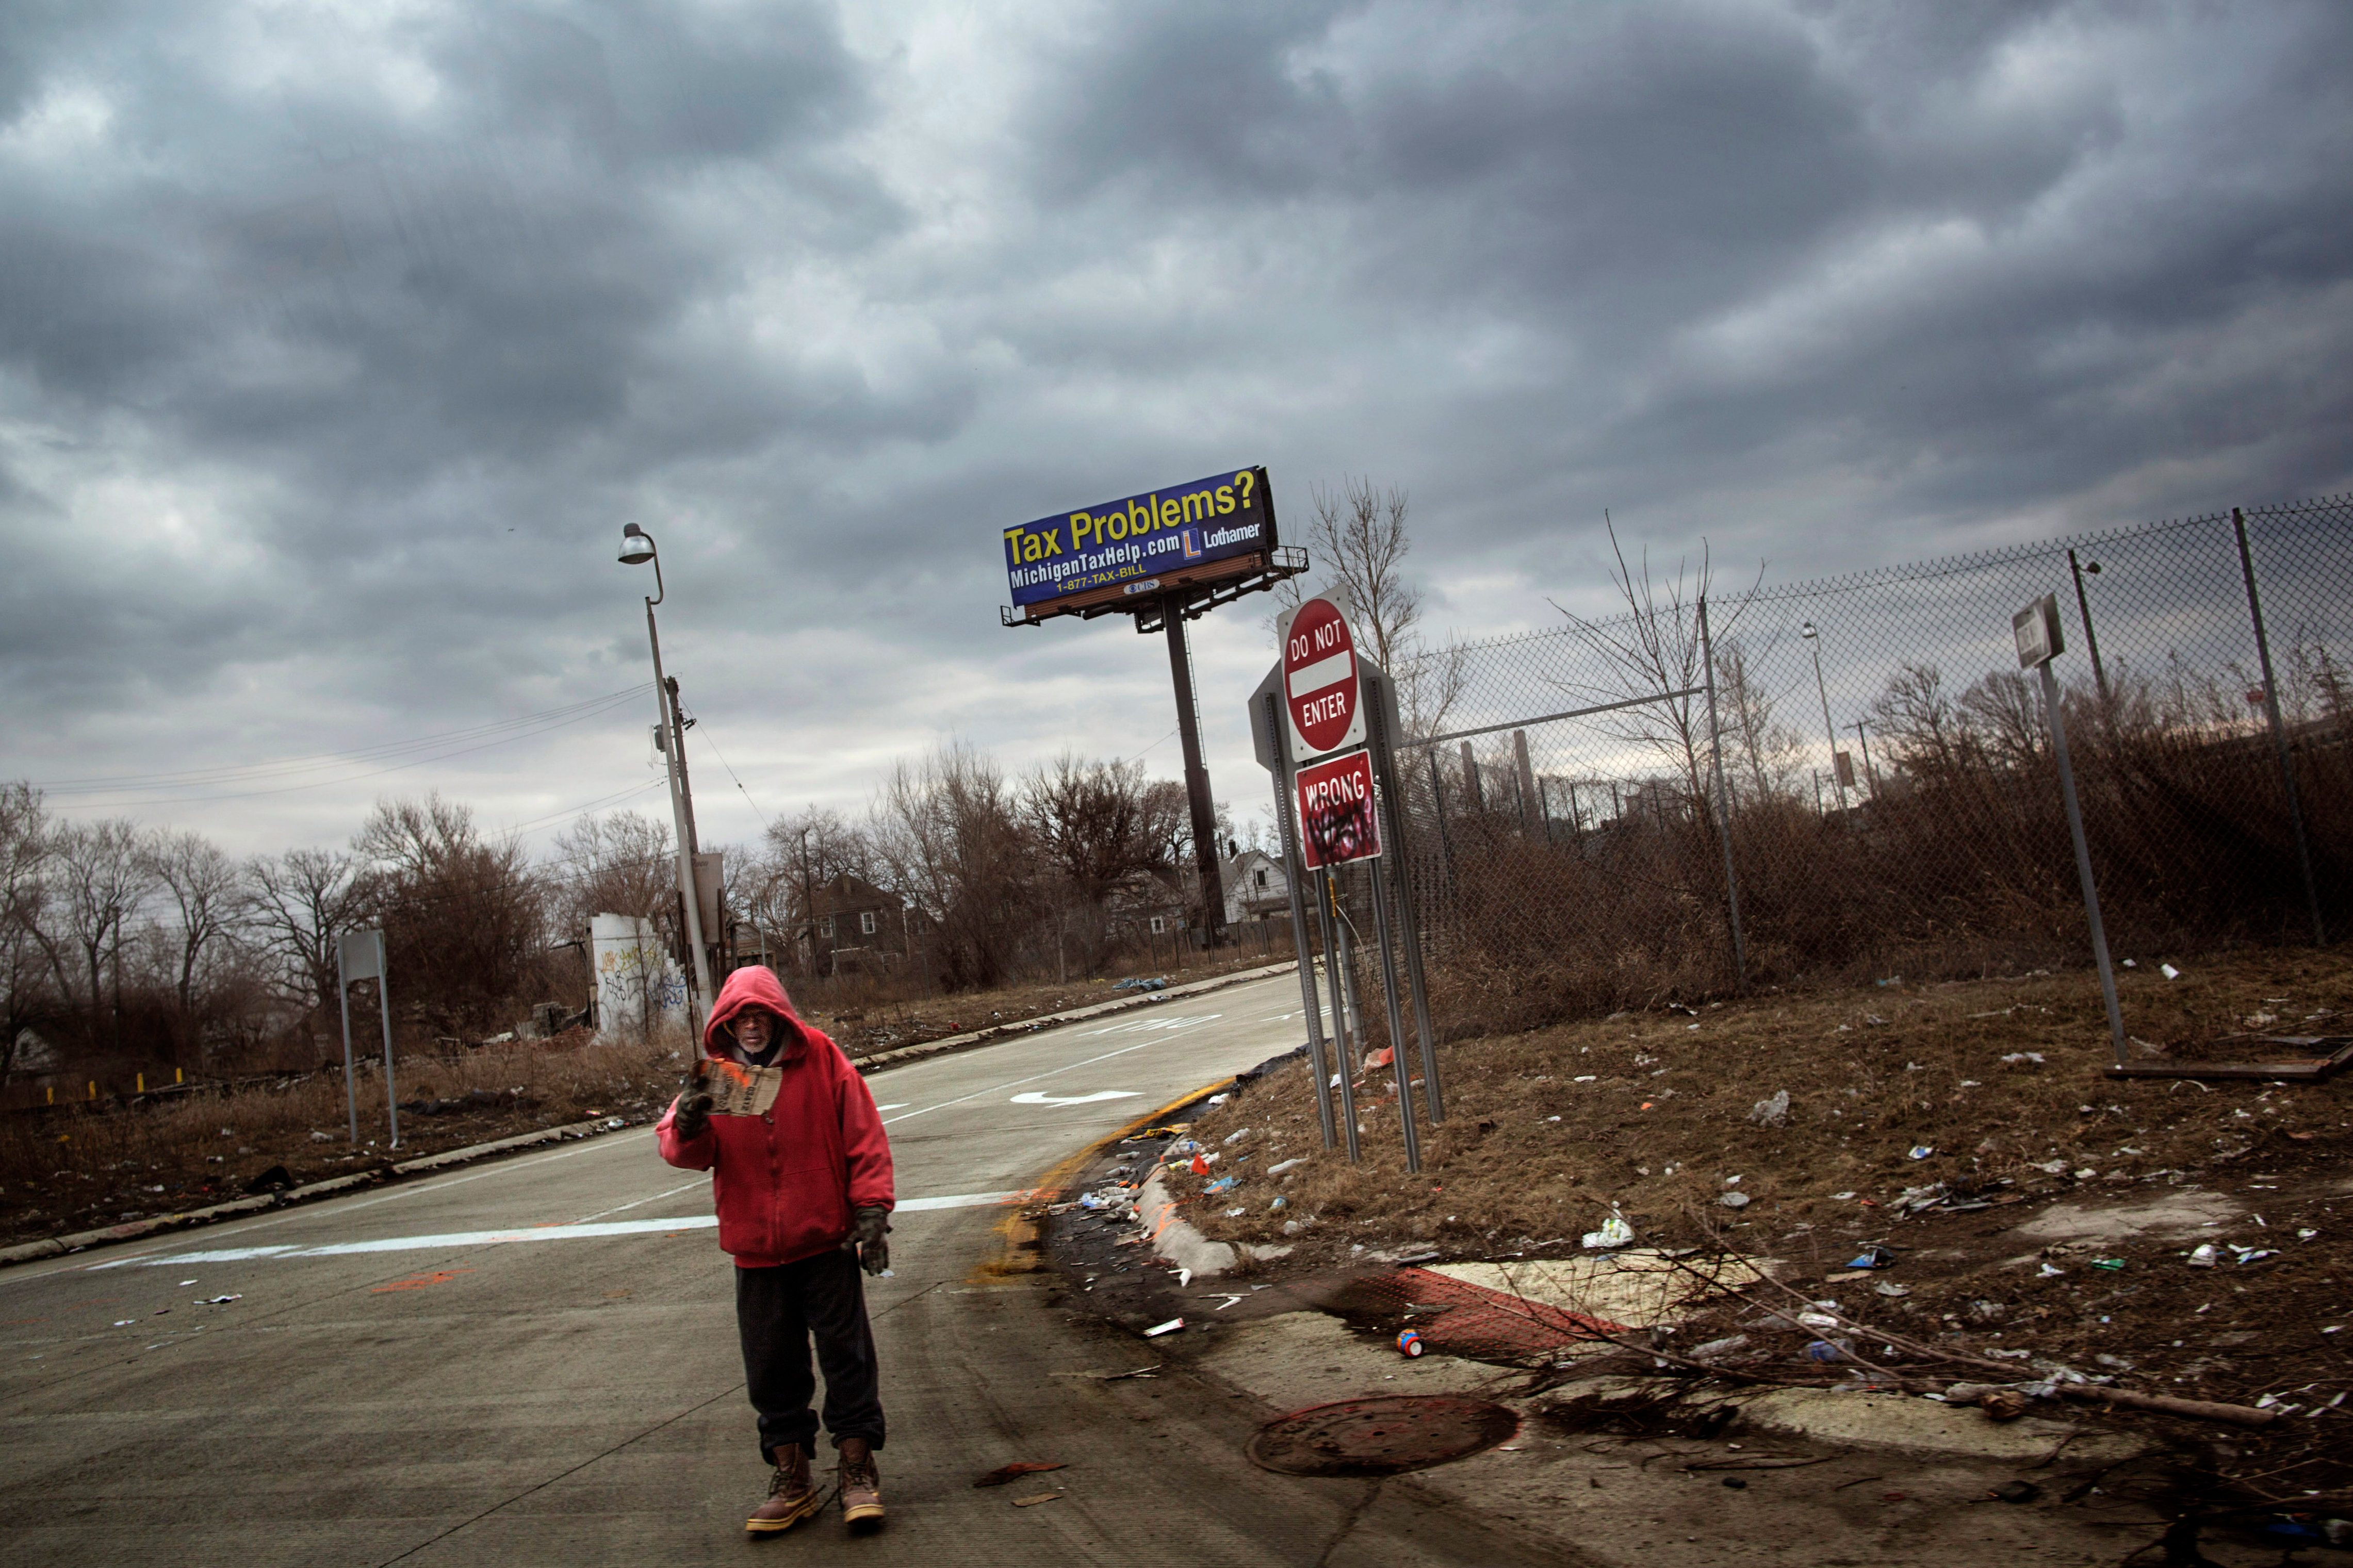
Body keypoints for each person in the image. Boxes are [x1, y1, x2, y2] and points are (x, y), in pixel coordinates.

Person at [657, 965, 895, 1536]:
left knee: (847, 1357)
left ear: (779, 1016)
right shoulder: (717, 1076)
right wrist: (688, 1124)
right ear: (727, 1023)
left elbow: (862, 1134)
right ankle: (793, 1476)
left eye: (762, 1015)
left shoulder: (821, 1058)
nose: (753, 1025)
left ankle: (857, 1469)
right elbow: (682, 1150)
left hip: (824, 1240)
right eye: (742, 1017)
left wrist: (871, 1210)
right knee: (771, 1368)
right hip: (756, 1251)